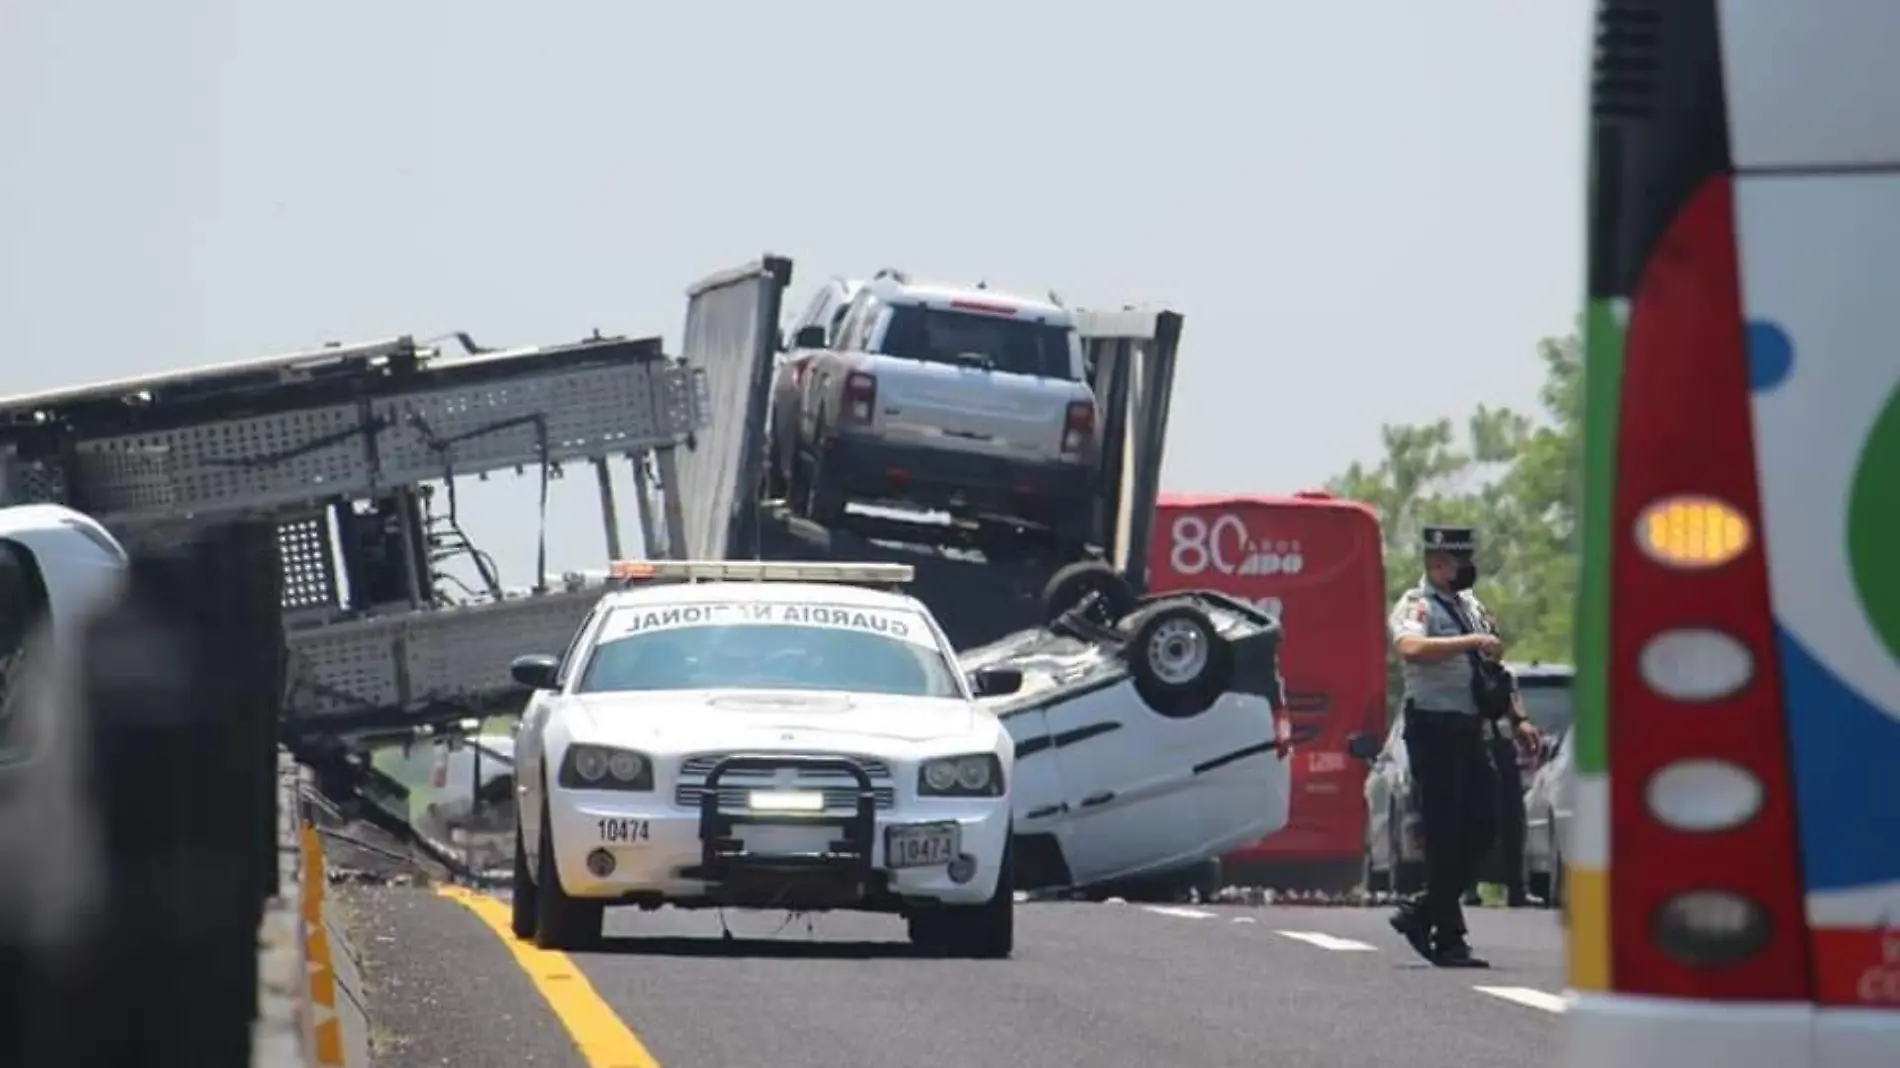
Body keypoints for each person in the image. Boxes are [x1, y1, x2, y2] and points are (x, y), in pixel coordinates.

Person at [1383, 525, 1534, 967]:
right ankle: (1449, 937)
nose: (1468, 568)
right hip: (1434, 727)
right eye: (1459, 560)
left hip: (1471, 728)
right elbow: (1410, 647)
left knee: (1486, 826)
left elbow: (1494, 670)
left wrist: (1517, 717)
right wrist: (1469, 642)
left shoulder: (1471, 608)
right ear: (1437, 564)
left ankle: (1423, 909)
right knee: (1445, 833)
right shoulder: (1418, 605)